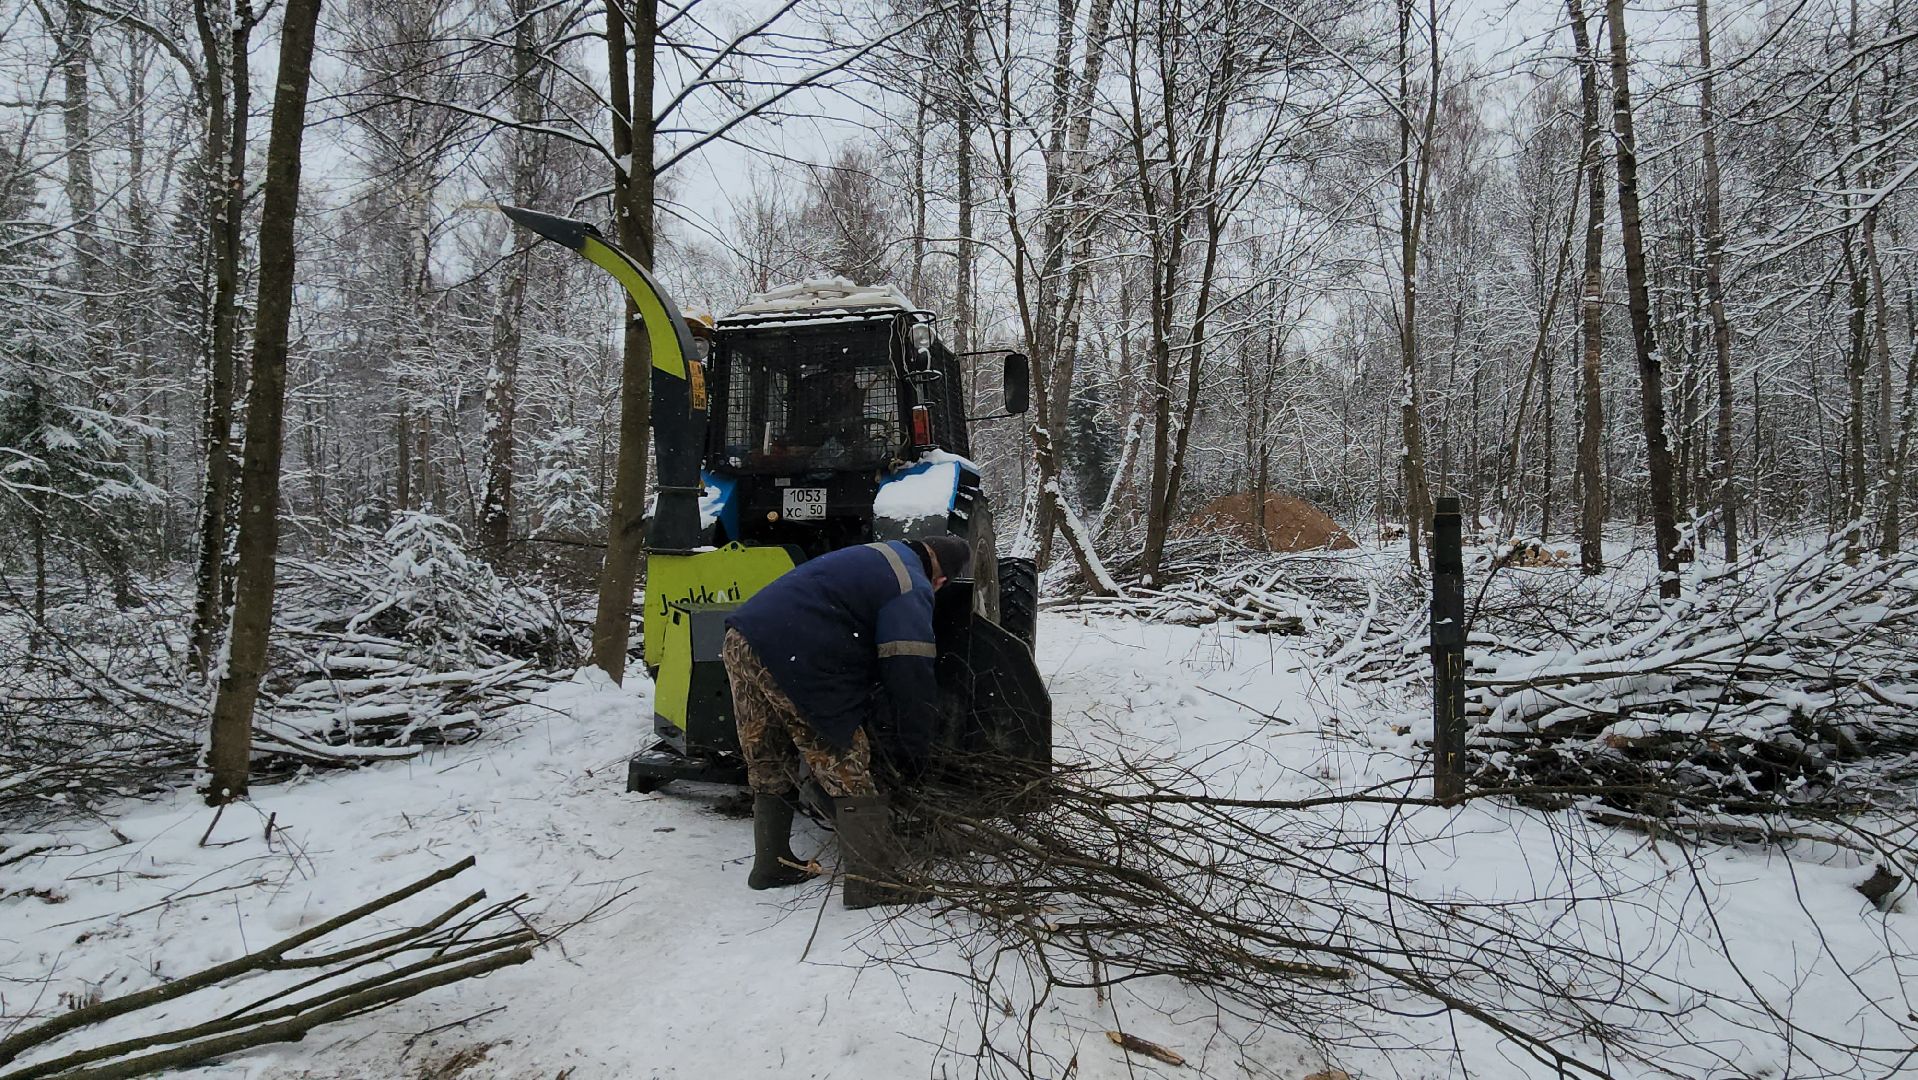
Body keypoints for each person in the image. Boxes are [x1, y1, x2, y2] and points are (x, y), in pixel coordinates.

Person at [722, 534, 972, 907]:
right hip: (794, 655)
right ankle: (872, 882)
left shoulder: (878, 554)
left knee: (769, 756)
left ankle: (771, 864)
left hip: (742, 639)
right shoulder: (911, 584)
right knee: (845, 760)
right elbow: (909, 672)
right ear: (941, 580)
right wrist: (915, 747)